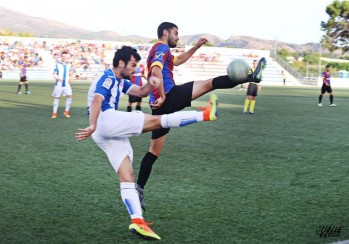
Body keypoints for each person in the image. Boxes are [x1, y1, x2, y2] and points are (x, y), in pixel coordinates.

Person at [75, 46, 218, 241]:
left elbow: (141, 91)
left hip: (103, 131)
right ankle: (204, 114)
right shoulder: (107, 77)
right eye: (133, 65)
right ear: (121, 63)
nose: (135, 69)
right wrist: (92, 124)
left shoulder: (120, 81)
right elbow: (97, 100)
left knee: (127, 175)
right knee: (159, 120)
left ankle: (137, 222)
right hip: (104, 121)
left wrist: (151, 84)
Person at [136, 22, 267, 211]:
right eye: (175, 33)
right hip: (168, 97)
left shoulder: (162, 51)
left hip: (159, 105)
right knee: (208, 84)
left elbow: (178, 60)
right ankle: (251, 77)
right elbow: (156, 72)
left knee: (154, 151)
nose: (178, 36)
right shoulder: (161, 47)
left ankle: (139, 189)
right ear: (165, 33)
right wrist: (164, 96)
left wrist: (196, 47)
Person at [51, 51, 74, 118]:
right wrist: (58, 78)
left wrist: (71, 78)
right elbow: (54, 73)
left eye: (65, 56)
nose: (64, 57)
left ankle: (66, 112)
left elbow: (71, 72)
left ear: (67, 57)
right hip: (59, 83)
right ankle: (54, 113)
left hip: (66, 83)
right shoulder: (58, 64)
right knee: (57, 97)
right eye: (63, 56)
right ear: (61, 57)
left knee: (70, 96)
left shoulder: (69, 64)